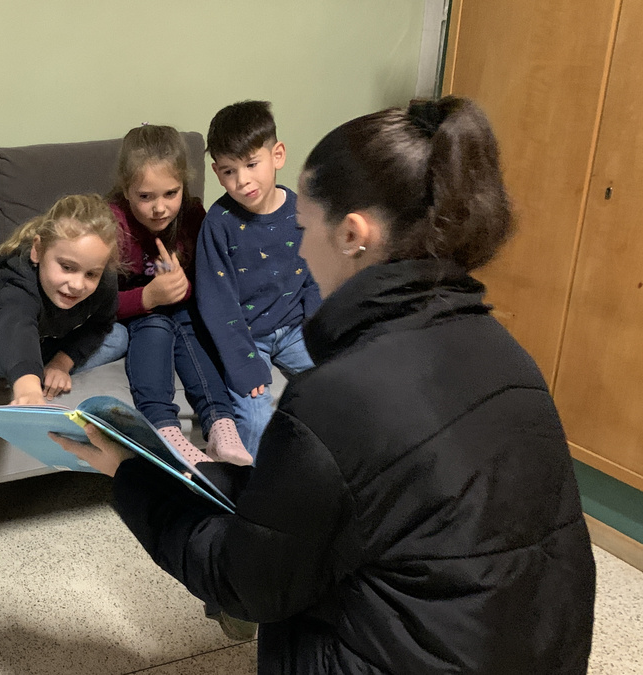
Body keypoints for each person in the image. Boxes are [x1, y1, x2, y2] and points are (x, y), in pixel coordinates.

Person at [53, 97, 597, 673]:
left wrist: (132, 478)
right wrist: (183, 472)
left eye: (303, 228)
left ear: (352, 234)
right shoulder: (509, 354)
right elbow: (320, 495)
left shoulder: (337, 398)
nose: (299, 244)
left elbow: (245, 581)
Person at [109, 124, 250, 467]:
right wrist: (148, 298)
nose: (159, 208)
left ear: (184, 186)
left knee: (189, 324)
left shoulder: (192, 215)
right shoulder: (111, 223)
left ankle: (220, 422)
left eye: (170, 194)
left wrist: (182, 288)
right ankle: (163, 428)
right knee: (156, 324)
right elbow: (95, 303)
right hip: (136, 313)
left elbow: (208, 285)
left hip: (181, 308)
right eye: (146, 197)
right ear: (126, 190)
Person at [197, 100, 320, 458]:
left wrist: (320, 332)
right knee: (253, 420)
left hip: (295, 329)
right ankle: (250, 487)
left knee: (338, 385)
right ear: (216, 172)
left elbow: (314, 277)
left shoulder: (301, 211)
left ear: (277, 155)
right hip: (249, 338)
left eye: (252, 165)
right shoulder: (218, 224)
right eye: (229, 171)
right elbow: (217, 304)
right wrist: (244, 362)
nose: (243, 181)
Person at [0, 194, 127, 405]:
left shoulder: (105, 281)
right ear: (37, 251)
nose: (77, 285)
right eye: (67, 267)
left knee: (119, 337)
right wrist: (29, 392)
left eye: (91, 274)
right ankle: (25, 375)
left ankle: (24, 373)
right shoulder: (17, 277)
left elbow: (100, 325)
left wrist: (62, 363)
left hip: (45, 339)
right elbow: (17, 328)